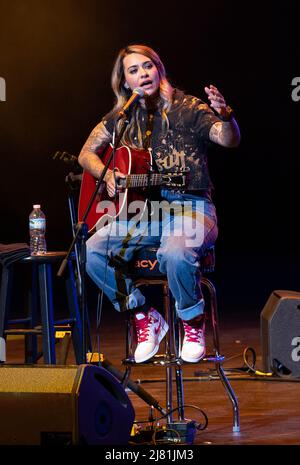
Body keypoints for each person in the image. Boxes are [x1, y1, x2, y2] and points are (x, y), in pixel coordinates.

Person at [78, 44, 240, 364]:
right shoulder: (122, 118)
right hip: (149, 212)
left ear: (159, 69)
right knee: (94, 249)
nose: (143, 74)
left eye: (148, 66)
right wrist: (107, 173)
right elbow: (86, 154)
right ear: (125, 82)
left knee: (174, 250)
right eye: (134, 71)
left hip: (193, 207)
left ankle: (192, 322)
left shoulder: (189, 107)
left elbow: (227, 138)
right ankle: (142, 314)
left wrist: (227, 115)